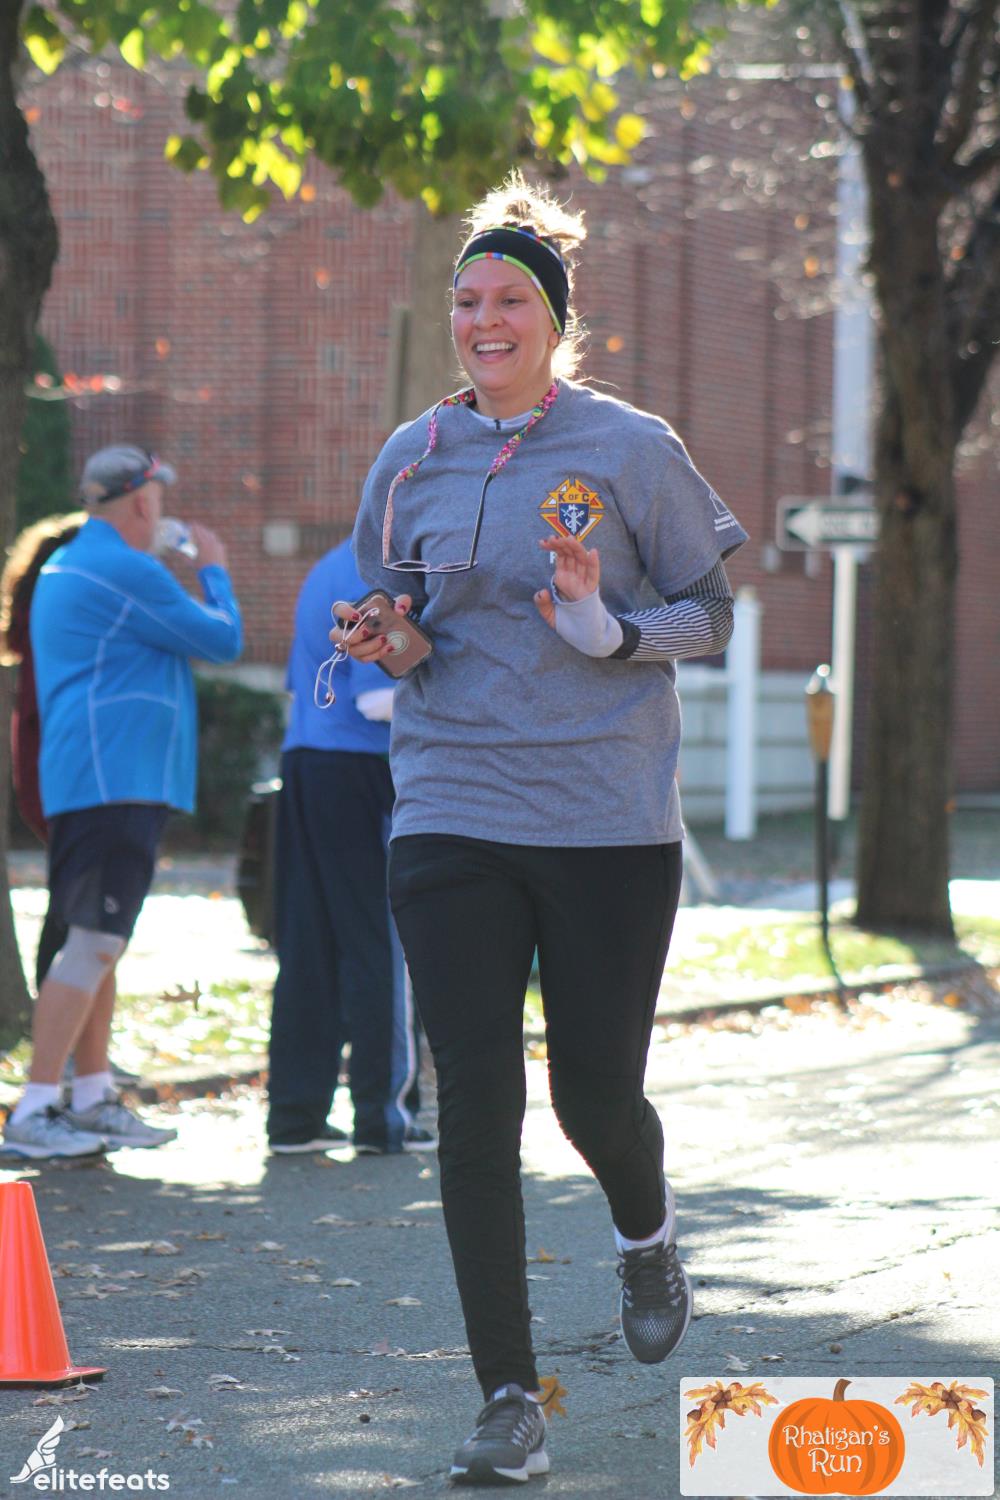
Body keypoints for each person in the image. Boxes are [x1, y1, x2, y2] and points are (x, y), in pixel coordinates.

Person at [335, 172, 748, 1485]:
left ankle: (646, 1232)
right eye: (467, 300)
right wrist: (388, 639)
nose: (484, 320)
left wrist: (610, 630)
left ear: (556, 320)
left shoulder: (630, 448)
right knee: (475, 1102)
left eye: (511, 299)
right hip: (450, 807)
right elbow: (407, 623)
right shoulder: (411, 458)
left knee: (593, 1096)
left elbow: (711, 611)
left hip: (605, 817)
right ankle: (509, 1400)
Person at [1, 445, 242, 1161]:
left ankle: (91, 1095)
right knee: (95, 942)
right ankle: (36, 1108)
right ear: (143, 501)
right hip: (116, 782)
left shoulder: (72, 562)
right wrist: (212, 567)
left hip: (94, 780)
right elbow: (222, 639)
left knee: (96, 939)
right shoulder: (124, 569)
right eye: (159, 498)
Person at [267, 536, 434, 1156]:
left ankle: (296, 1116)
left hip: (307, 762)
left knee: (308, 942)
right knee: (383, 942)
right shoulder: (380, 570)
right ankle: (384, 1116)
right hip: (362, 770)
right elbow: (385, 692)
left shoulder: (331, 564)